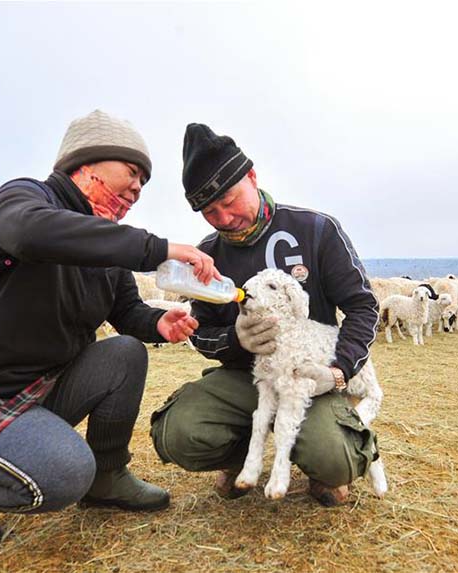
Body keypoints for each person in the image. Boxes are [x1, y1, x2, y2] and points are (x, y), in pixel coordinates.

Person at [0, 110, 219, 551]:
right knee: (65, 474)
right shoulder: (24, 200)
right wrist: (156, 248)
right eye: (131, 173)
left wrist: (157, 321)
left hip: (39, 392)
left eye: (143, 183)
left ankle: (108, 475)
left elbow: (128, 312)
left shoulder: (105, 246)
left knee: (127, 351)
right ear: (87, 163)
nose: (137, 188)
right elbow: (32, 234)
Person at [150, 123, 381, 506]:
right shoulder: (208, 256)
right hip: (247, 377)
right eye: (210, 211)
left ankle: (322, 467)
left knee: (335, 457)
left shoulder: (316, 230)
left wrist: (338, 371)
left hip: (310, 375)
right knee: (180, 432)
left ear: (252, 177)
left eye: (230, 200)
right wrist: (234, 340)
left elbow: (363, 307)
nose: (224, 218)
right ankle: (240, 455)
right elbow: (200, 330)